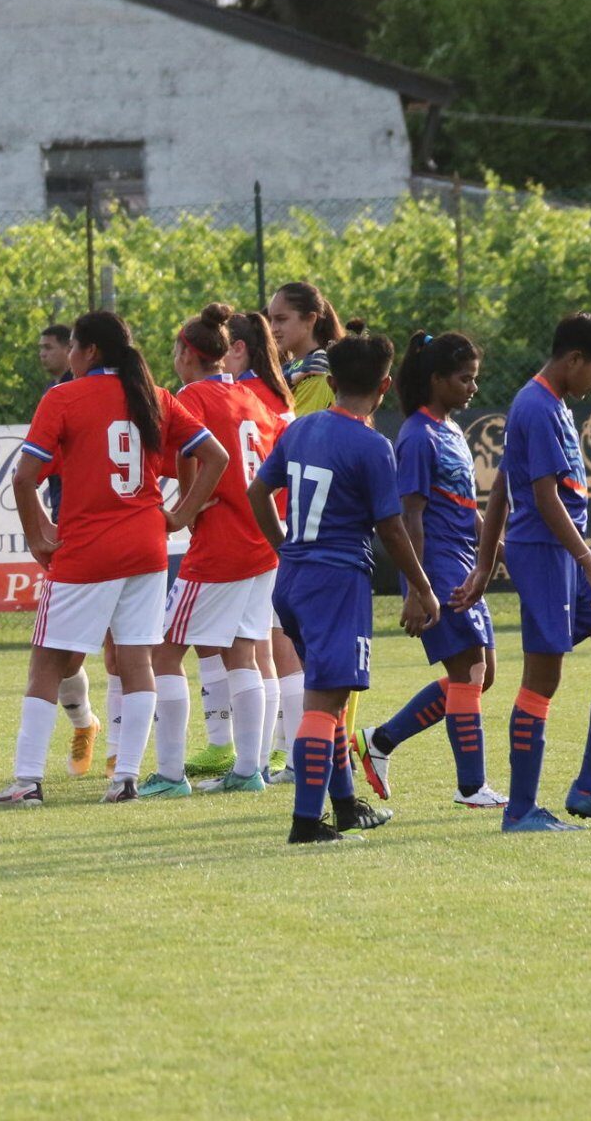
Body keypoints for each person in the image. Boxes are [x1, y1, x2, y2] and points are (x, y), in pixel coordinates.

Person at [0, 311, 228, 806]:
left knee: (47, 662)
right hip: (146, 549)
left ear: (89, 351)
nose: (69, 356)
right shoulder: (155, 397)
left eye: (73, 347)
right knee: (137, 660)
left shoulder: (63, 397)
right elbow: (215, 456)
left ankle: (27, 781)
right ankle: (127, 778)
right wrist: (179, 515)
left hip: (88, 550)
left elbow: (23, 477)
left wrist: (37, 535)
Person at [249, 322, 440, 843]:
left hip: (293, 577)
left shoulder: (299, 429)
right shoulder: (373, 446)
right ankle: (307, 823)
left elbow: (257, 491)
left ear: (330, 382)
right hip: (336, 580)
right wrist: (422, 588)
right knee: (325, 702)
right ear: (384, 386)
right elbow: (392, 527)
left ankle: (345, 805)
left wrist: (284, 546)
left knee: (326, 695)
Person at [462, 313, 591, 833]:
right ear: (574, 360)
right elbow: (543, 499)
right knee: (542, 680)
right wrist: (590, 563)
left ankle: (590, 788)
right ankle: (520, 811)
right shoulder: (537, 405)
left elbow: (500, 486)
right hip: (547, 555)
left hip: (564, 555)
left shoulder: (553, 404)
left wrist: (484, 563)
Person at [355, 332, 507, 810]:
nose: (472, 388)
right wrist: (417, 590)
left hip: (462, 562)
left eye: (474, 379)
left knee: (482, 677)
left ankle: (379, 741)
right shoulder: (417, 436)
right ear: (437, 379)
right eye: (465, 379)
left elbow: (464, 504)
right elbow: (410, 515)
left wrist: (493, 547)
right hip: (437, 566)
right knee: (468, 674)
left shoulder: (451, 431)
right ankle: (471, 786)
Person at [148, 304, 281, 797]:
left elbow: (189, 453)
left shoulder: (191, 397)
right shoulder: (251, 396)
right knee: (241, 650)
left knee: (163, 651)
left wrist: (184, 509)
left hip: (221, 542)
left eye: (176, 350)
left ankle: (168, 774)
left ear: (188, 354)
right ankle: (249, 770)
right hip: (262, 539)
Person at [224, 309, 300, 781]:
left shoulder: (241, 397)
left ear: (239, 348)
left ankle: (283, 757)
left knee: (267, 646)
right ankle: (284, 753)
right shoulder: (280, 395)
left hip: (261, 531)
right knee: (275, 645)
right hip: (287, 529)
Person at [36, 322, 105, 773]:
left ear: (77, 350)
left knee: (125, 653)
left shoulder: (107, 393)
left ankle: (122, 758)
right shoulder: (57, 396)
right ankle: (84, 724)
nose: (43, 353)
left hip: (115, 533)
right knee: (63, 655)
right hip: (71, 534)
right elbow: (34, 469)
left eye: (53, 346)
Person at [267, 281, 343, 418]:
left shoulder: (318, 370)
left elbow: (296, 433)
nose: (272, 329)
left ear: (310, 319)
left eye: (281, 319)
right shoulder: (292, 368)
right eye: (271, 320)